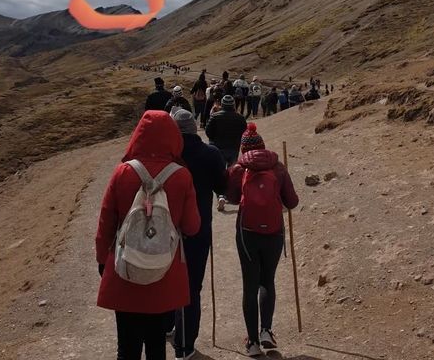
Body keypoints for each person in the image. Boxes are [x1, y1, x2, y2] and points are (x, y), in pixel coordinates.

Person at [96, 111, 201, 360]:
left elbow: (106, 223)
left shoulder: (122, 172)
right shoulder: (182, 175)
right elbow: (192, 226)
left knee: (127, 348)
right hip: (163, 270)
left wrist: (103, 260)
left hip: (125, 268)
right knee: (156, 345)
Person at [227, 124, 299, 357]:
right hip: (274, 232)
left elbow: (232, 198)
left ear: (244, 148)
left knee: (250, 285)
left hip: (247, 233)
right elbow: (293, 202)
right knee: (267, 280)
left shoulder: (239, 169)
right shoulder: (277, 166)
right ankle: (266, 330)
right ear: (263, 146)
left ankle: (252, 342)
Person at [166, 110, 227, 360]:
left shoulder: (168, 156)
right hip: (200, 230)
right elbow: (222, 188)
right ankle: (185, 346)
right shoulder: (211, 154)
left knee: (167, 280)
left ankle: (168, 325)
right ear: (194, 129)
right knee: (192, 287)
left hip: (167, 231)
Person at [205, 95, 247, 210]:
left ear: (222, 105)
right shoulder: (240, 118)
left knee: (220, 172)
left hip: (218, 148)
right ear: (233, 105)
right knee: (232, 172)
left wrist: (214, 140)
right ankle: (230, 194)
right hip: (233, 148)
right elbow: (245, 133)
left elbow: (208, 132)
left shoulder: (215, 116)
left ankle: (221, 196)